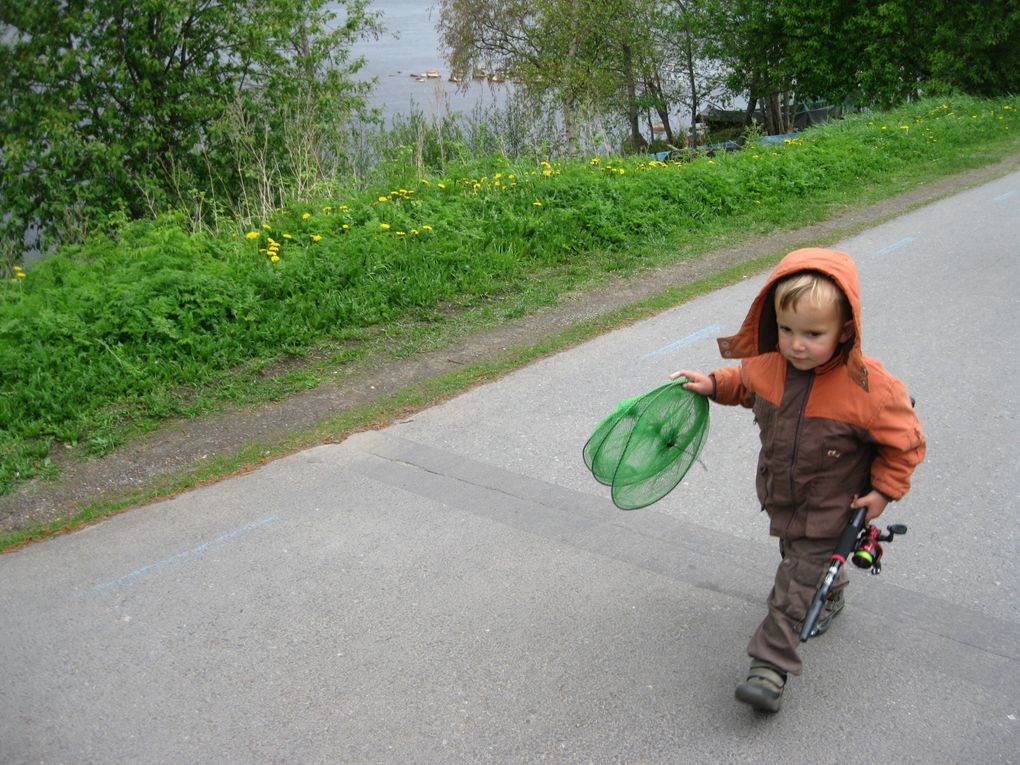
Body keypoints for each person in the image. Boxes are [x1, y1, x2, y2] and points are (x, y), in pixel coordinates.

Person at [671, 247, 925, 713]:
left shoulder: (870, 391)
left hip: (833, 507)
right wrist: (712, 384)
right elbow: (744, 383)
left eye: (813, 333)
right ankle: (830, 591)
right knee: (798, 560)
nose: (796, 344)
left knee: (793, 585)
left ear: (845, 330)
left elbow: (905, 443)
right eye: (786, 330)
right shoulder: (771, 365)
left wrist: (885, 490)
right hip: (782, 498)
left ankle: (770, 665)